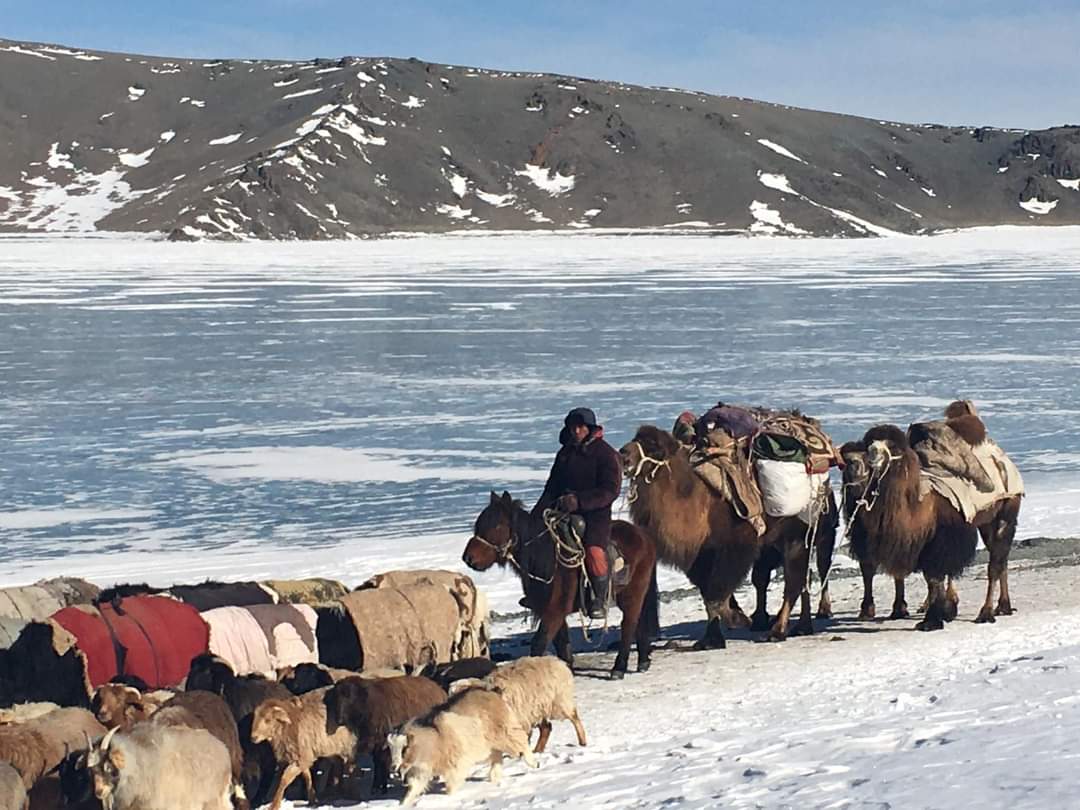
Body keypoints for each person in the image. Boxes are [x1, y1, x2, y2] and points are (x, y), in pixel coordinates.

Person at [533, 407, 623, 619]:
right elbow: (552, 487)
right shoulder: (565, 453)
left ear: (590, 428)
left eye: (580, 427)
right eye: (572, 427)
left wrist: (580, 501)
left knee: (593, 552)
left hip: (595, 516)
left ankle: (600, 598)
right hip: (563, 511)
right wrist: (537, 514)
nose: (576, 431)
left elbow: (610, 490)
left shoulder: (606, 454)